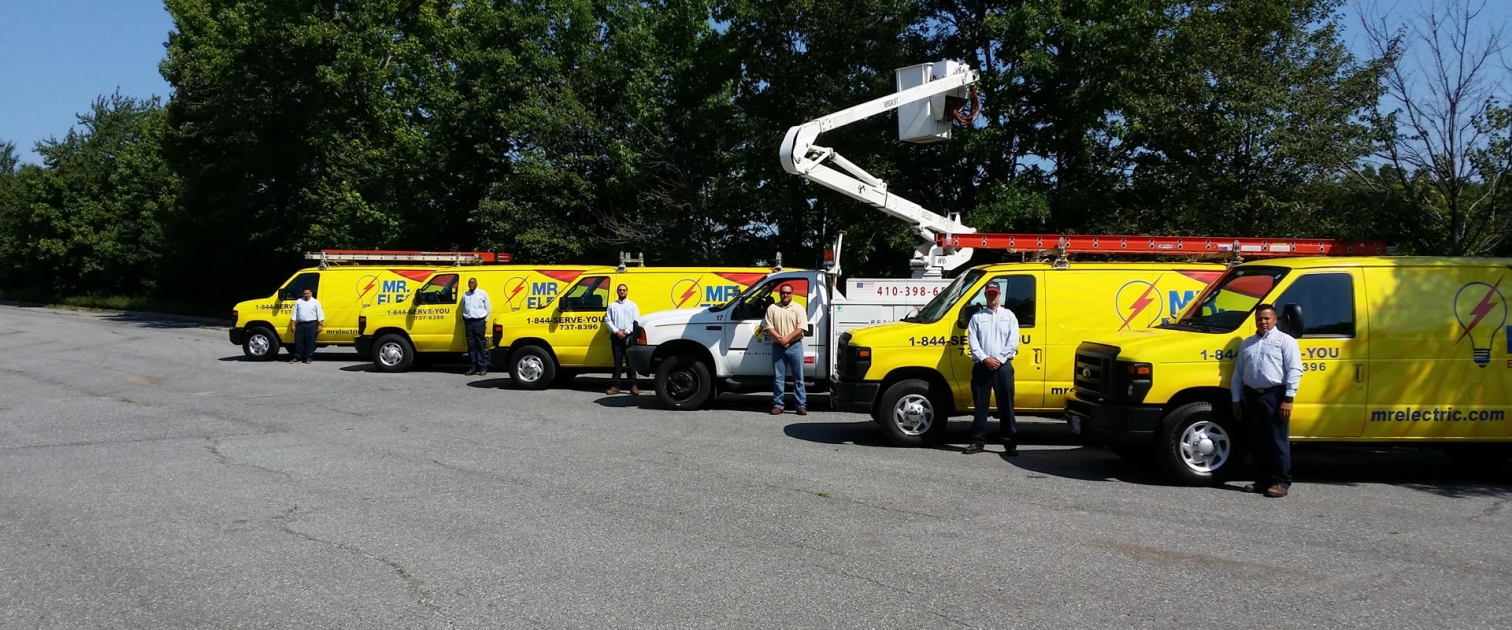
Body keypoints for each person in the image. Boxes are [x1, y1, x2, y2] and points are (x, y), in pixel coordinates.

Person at [1231, 303, 1303, 497]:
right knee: (1258, 441)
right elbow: (1238, 374)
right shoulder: (1247, 343)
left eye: (1266, 318)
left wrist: (1288, 398)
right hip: (1253, 396)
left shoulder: (1285, 341)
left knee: (1277, 440)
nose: (1262, 322)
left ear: (1275, 319)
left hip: (1276, 395)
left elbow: (1295, 370)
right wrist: (1236, 399)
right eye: (1259, 319)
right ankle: (1262, 480)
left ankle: (1281, 481)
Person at [965, 283, 1020, 455]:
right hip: (982, 366)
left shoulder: (1009, 316)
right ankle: (977, 441)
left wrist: (999, 359)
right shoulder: (977, 317)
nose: (992, 296)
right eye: (989, 293)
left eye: (994, 293)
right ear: (985, 294)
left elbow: (1013, 342)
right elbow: (973, 342)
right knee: (980, 406)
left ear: (999, 294)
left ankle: (1010, 444)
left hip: (1003, 367)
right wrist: (985, 359)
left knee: (1006, 406)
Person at [765, 283, 809, 415]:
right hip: (778, 346)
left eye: (788, 293)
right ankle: (778, 404)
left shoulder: (799, 308)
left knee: (799, 378)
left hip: (795, 345)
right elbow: (768, 326)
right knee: (778, 378)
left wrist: (787, 338)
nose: (786, 295)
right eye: (783, 292)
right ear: (779, 293)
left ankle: (801, 405)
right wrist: (780, 339)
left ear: (792, 294)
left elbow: (801, 327)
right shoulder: (772, 308)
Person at [605, 283, 640, 395]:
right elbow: (608, 320)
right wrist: (617, 331)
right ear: (617, 292)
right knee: (617, 363)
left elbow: (635, 321)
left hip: (629, 336)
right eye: (620, 290)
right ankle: (615, 387)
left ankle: (633, 386)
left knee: (631, 363)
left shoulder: (632, 305)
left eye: (624, 290)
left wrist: (626, 332)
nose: (622, 291)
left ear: (627, 291)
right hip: (616, 337)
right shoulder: (612, 306)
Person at [461, 277, 491, 376]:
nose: (471, 284)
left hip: (479, 322)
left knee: (480, 345)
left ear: (476, 284)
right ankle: (472, 367)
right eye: (470, 283)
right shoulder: (465, 295)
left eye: (473, 282)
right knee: (471, 346)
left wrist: (484, 321)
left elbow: (488, 307)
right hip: (469, 322)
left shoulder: (482, 294)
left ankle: (482, 367)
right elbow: (463, 307)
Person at [287, 287, 324, 364]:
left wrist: (320, 325)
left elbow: (320, 314)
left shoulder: (316, 302)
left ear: (311, 293)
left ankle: (308, 357)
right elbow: (294, 313)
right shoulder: (299, 301)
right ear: (302, 294)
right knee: (298, 341)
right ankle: (297, 357)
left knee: (310, 342)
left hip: (311, 324)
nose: (306, 295)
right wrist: (293, 324)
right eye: (305, 294)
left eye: (308, 293)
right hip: (300, 324)